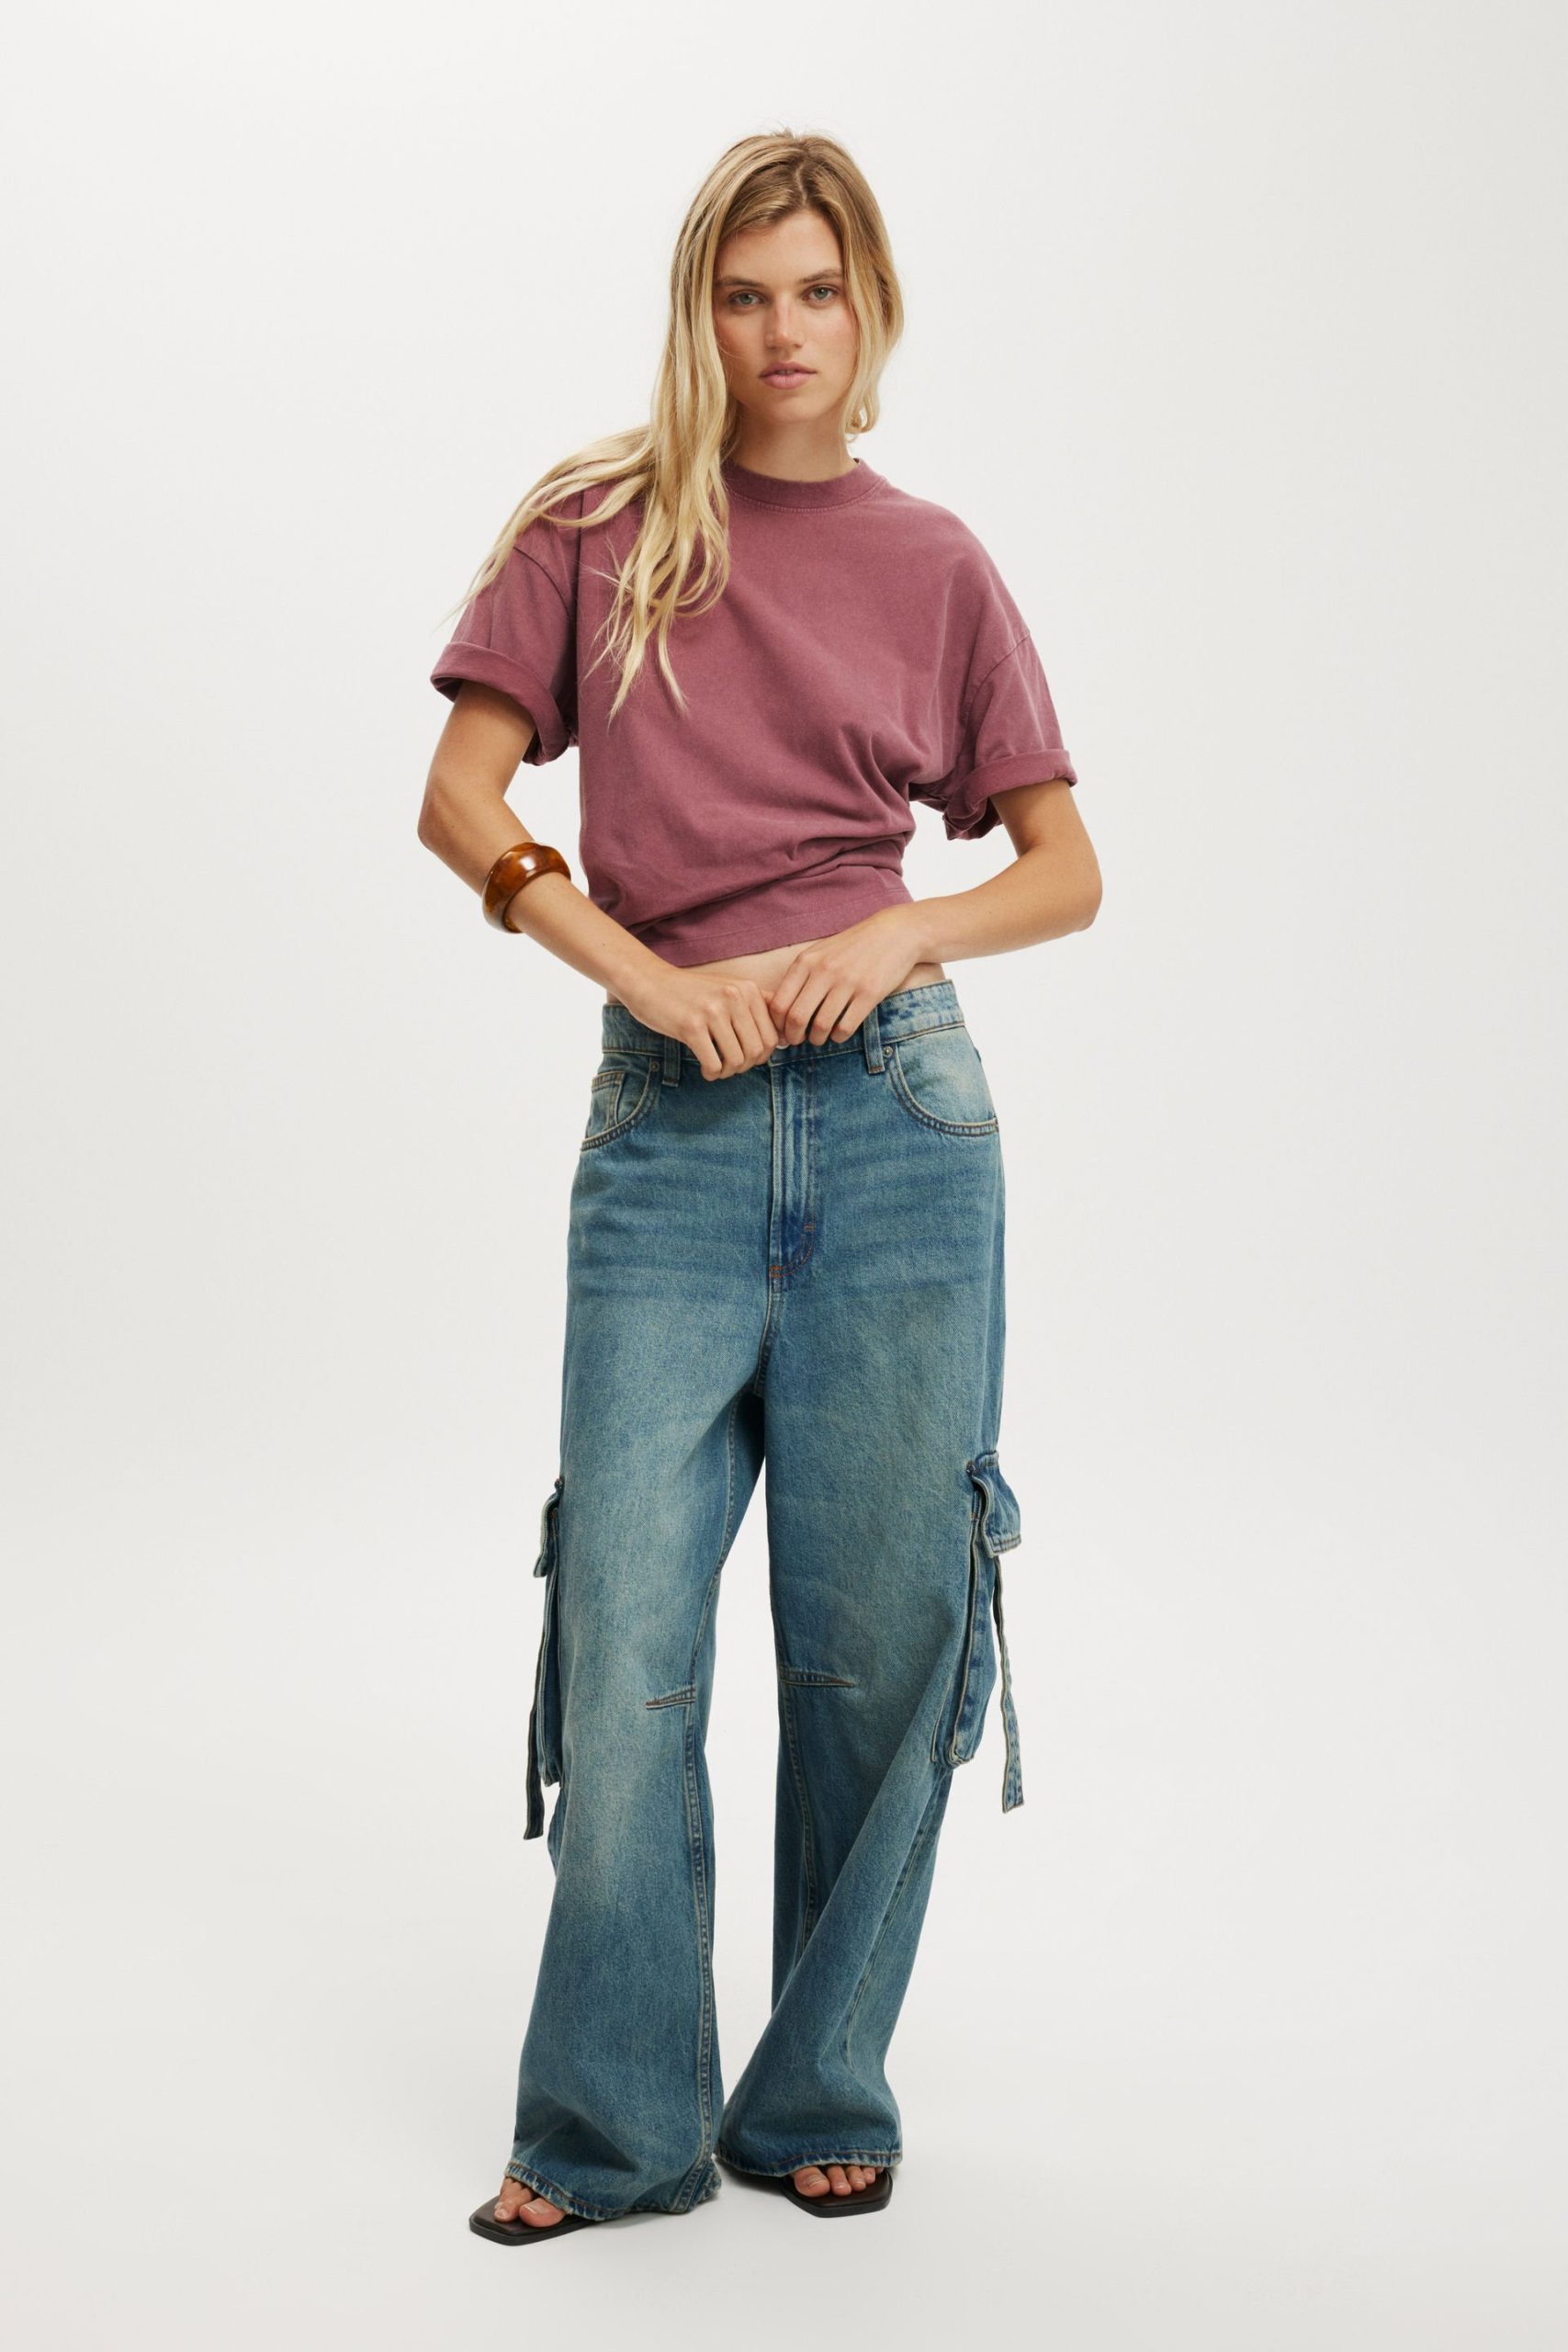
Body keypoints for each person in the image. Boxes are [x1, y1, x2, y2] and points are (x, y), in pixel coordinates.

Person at [418, 130, 1102, 2244]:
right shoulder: (595, 530)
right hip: (668, 1120)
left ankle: (817, 2079)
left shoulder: (937, 561)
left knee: (876, 1646)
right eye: (742, 294)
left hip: (898, 1121)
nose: (781, 331)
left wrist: (897, 931)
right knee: (625, 1632)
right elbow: (457, 795)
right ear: (694, 313)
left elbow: (1062, 866)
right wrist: (640, 974)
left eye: (815, 290)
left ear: (867, 306)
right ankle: (611, 2122)